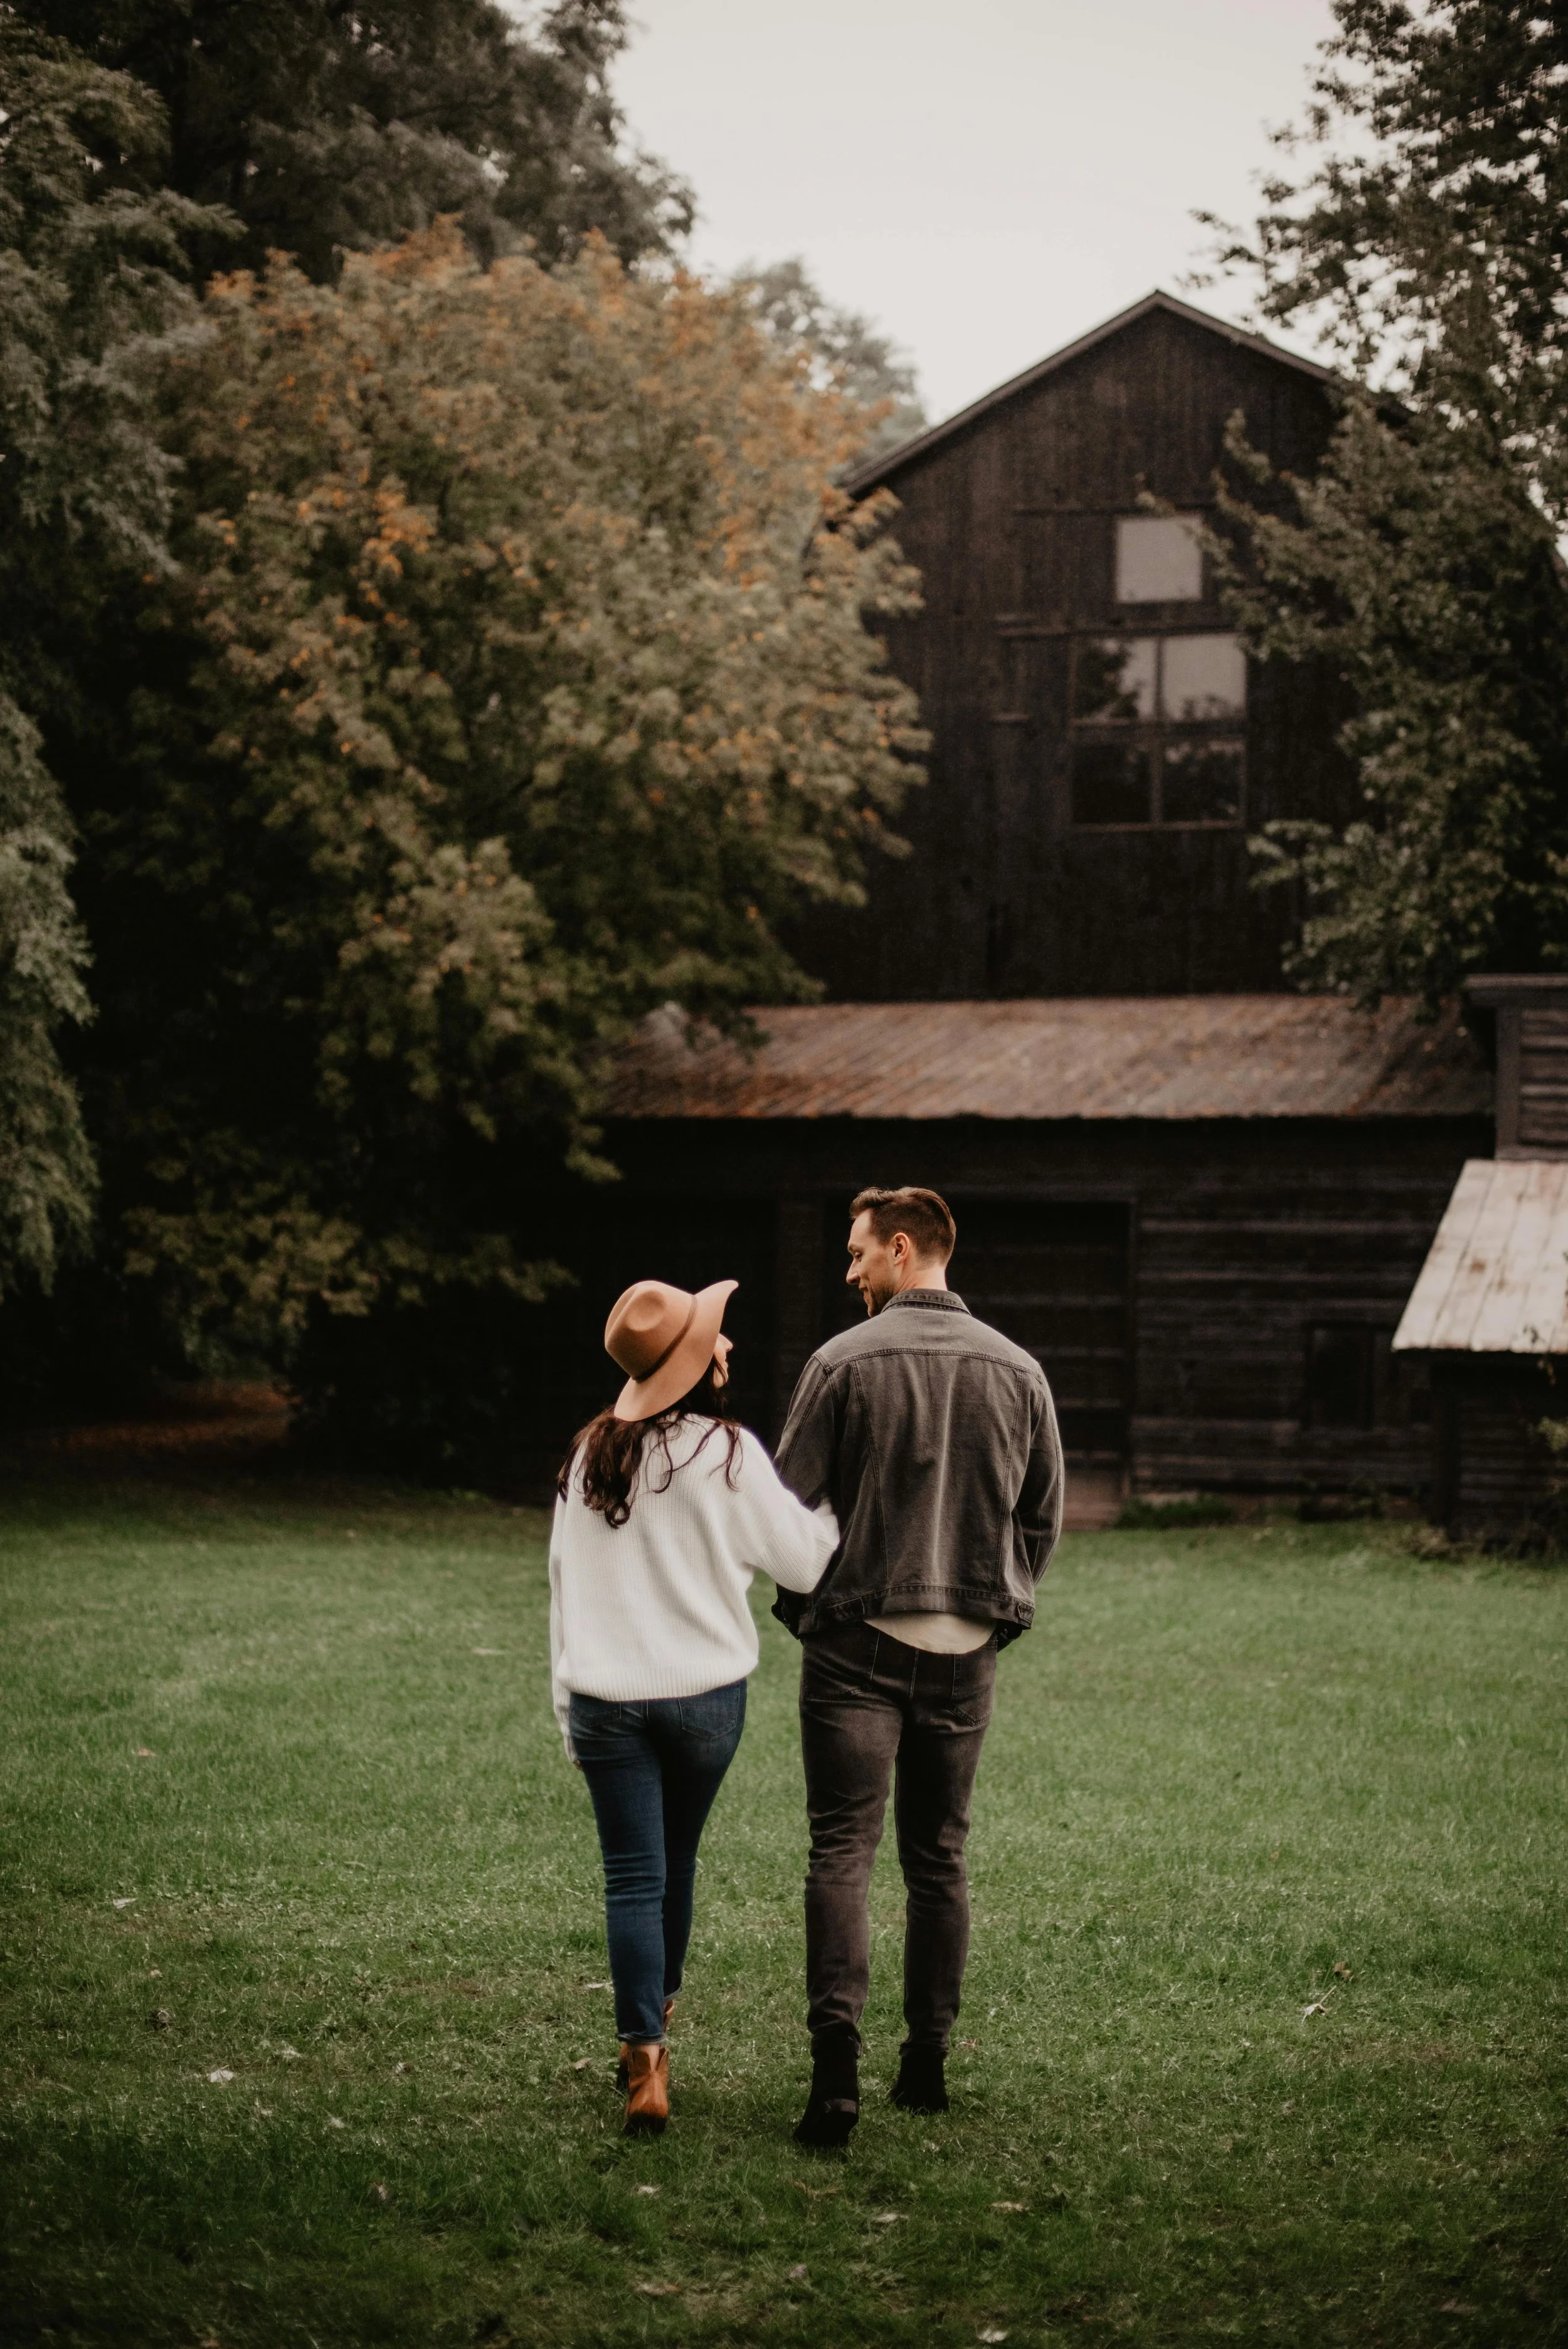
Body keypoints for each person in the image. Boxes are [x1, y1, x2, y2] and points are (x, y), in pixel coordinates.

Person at [774, 1185, 1063, 2147]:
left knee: (840, 1854)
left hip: (856, 1646)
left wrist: (811, 1608)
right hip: (965, 1653)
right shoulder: (1021, 1371)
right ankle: (927, 2068)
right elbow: (1043, 1519)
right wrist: (991, 1608)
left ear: (904, 1250)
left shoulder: (840, 1363)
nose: (850, 1271)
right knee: (939, 1859)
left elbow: (784, 1513)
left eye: (858, 1254)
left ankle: (835, 2081)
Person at [551, 1275, 837, 2137]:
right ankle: (657, 2019)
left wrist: (566, 1708)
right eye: (716, 1337)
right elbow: (807, 1563)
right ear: (693, 1363)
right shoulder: (730, 1453)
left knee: (631, 1877)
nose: (729, 1346)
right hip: (706, 1701)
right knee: (675, 1868)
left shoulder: (588, 1454)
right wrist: (842, 1505)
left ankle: (645, 2060)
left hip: (604, 1698)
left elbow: (562, 1591)